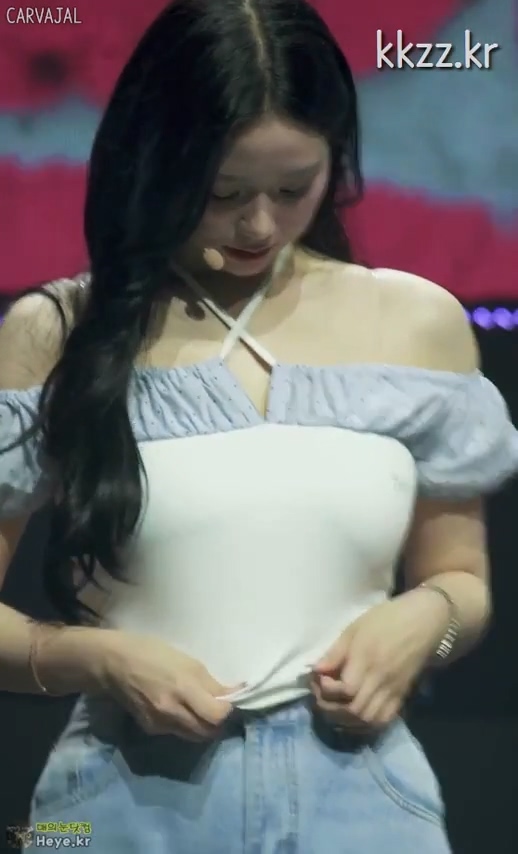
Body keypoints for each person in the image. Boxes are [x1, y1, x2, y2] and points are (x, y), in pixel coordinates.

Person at [0, 1, 517, 851]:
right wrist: (99, 660)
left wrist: (425, 621)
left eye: (293, 187)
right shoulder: (58, 332)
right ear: (156, 160)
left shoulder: (415, 324)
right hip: (111, 801)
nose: (258, 225)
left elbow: (463, 580)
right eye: (223, 192)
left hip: (365, 797)